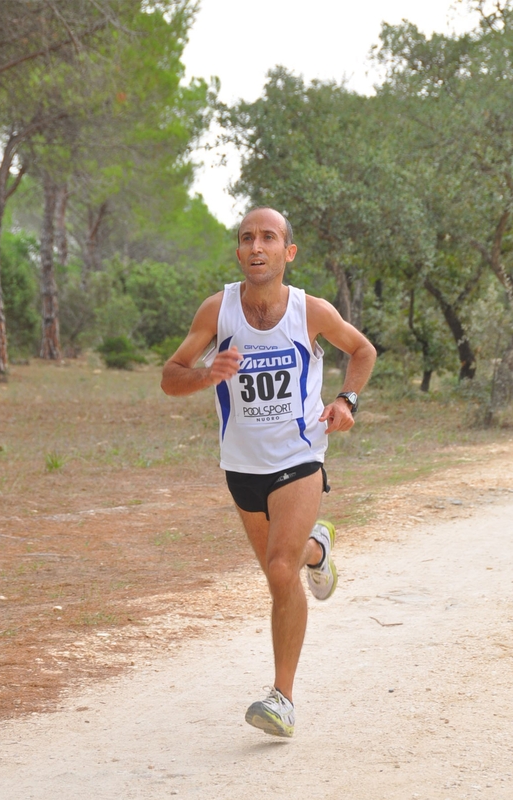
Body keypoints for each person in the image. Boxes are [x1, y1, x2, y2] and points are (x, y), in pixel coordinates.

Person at [161, 207, 376, 738]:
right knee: (281, 570)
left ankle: (282, 698)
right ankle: (316, 548)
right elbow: (170, 377)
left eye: (269, 238)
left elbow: (362, 350)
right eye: (247, 238)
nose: (257, 246)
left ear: (288, 252)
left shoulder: (311, 311)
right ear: (239, 251)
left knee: (281, 572)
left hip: (300, 455)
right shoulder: (219, 310)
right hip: (242, 465)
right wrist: (206, 374)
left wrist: (346, 400)